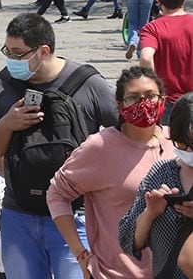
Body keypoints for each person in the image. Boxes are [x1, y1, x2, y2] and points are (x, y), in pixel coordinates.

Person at [0, 13, 119, 279]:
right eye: (7, 51)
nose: (11, 59)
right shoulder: (4, 84)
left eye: (18, 53)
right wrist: (8, 123)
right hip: (19, 213)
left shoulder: (88, 83)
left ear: (43, 51)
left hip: (74, 215)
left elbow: (127, 133)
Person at [48, 66, 173, 279]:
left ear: (163, 99)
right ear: (119, 105)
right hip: (115, 273)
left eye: (151, 96)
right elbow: (57, 194)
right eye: (133, 98)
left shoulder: (176, 143)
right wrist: (81, 254)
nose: (144, 104)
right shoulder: (100, 147)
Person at [119, 92, 193, 279]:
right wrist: (150, 213)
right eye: (181, 144)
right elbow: (127, 240)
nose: (188, 152)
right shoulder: (162, 172)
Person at [140, 0, 193, 121]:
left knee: (168, 141)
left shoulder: (151, 29)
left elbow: (145, 57)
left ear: (159, 1)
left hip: (169, 101)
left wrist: (153, 89)